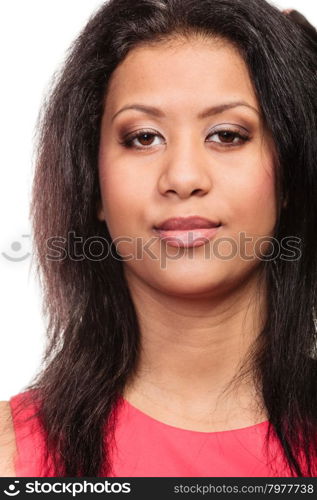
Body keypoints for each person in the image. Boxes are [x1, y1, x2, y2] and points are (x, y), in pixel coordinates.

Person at [1, 0, 317, 478]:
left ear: (291, 175)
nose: (183, 177)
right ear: (94, 186)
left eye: (227, 135)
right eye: (143, 137)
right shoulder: (11, 455)